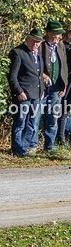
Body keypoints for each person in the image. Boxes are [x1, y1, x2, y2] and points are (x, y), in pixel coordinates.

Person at [8, 27, 45, 157]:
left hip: (36, 94)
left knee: (31, 123)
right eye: (34, 41)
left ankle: (25, 147)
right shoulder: (18, 52)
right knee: (20, 122)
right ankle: (18, 150)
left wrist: (42, 90)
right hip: (23, 95)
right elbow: (12, 76)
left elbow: (38, 75)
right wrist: (18, 91)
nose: (36, 44)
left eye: (38, 42)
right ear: (27, 39)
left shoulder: (37, 53)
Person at [39, 20, 68, 152]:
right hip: (43, 88)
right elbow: (35, 65)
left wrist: (64, 85)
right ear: (48, 33)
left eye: (59, 35)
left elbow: (64, 67)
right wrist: (42, 76)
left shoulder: (61, 46)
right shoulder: (41, 45)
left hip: (57, 88)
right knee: (36, 116)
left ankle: (49, 146)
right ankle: (32, 145)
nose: (57, 38)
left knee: (53, 118)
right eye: (55, 35)